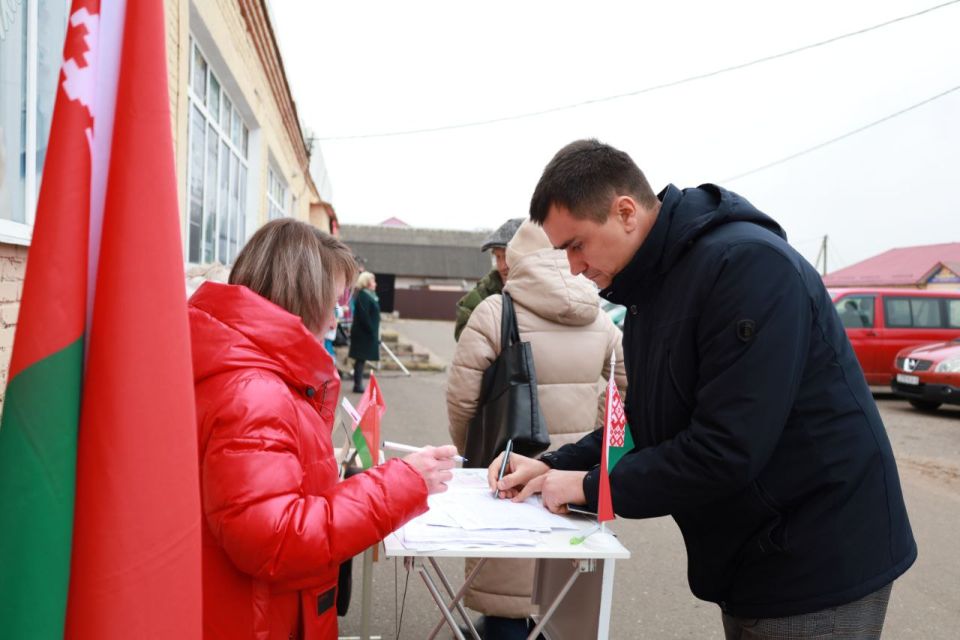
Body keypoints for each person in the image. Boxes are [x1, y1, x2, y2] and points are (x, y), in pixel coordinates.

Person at [491, 139, 916, 639]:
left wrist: (591, 487)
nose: (573, 267)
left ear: (625, 212)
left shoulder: (746, 268)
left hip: (817, 557)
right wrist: (555, 464)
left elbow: (726, 448)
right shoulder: (652, 287)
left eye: (576, 245)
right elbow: (646, 423)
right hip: (756, 550)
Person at [189, 219, 457, 639]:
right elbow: (275, 539)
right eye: (333, 303)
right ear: (300, 297)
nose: (336, 320)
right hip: (260, 619)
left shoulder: (245, 369)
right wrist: (401, 483)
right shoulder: (256, 391)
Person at [448, 220, 627, 639]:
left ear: (516, 259)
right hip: (571, 483)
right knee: (564, 606)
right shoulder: (599, 319)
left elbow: (461, 399)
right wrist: (595, 436)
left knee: (505, 608)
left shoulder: (494, 311)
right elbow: (630, 389)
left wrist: (476, 458)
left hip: (508, 476)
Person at [454, 217, 524, 341]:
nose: (502, 266)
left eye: (507, 256)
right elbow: (462, 331)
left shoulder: (544, 287)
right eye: (498, 257)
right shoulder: (484, 291)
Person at [348, 271, 380, 393]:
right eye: (373, 281)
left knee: (361, 359)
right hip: (363, 334)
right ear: (366, 283)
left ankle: (358, 383)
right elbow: (364, 316)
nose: (375, 284)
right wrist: (371, 330)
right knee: (360, 359)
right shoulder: (363, 296)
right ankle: (357, 385)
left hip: (365, 333)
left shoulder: (368, 295)